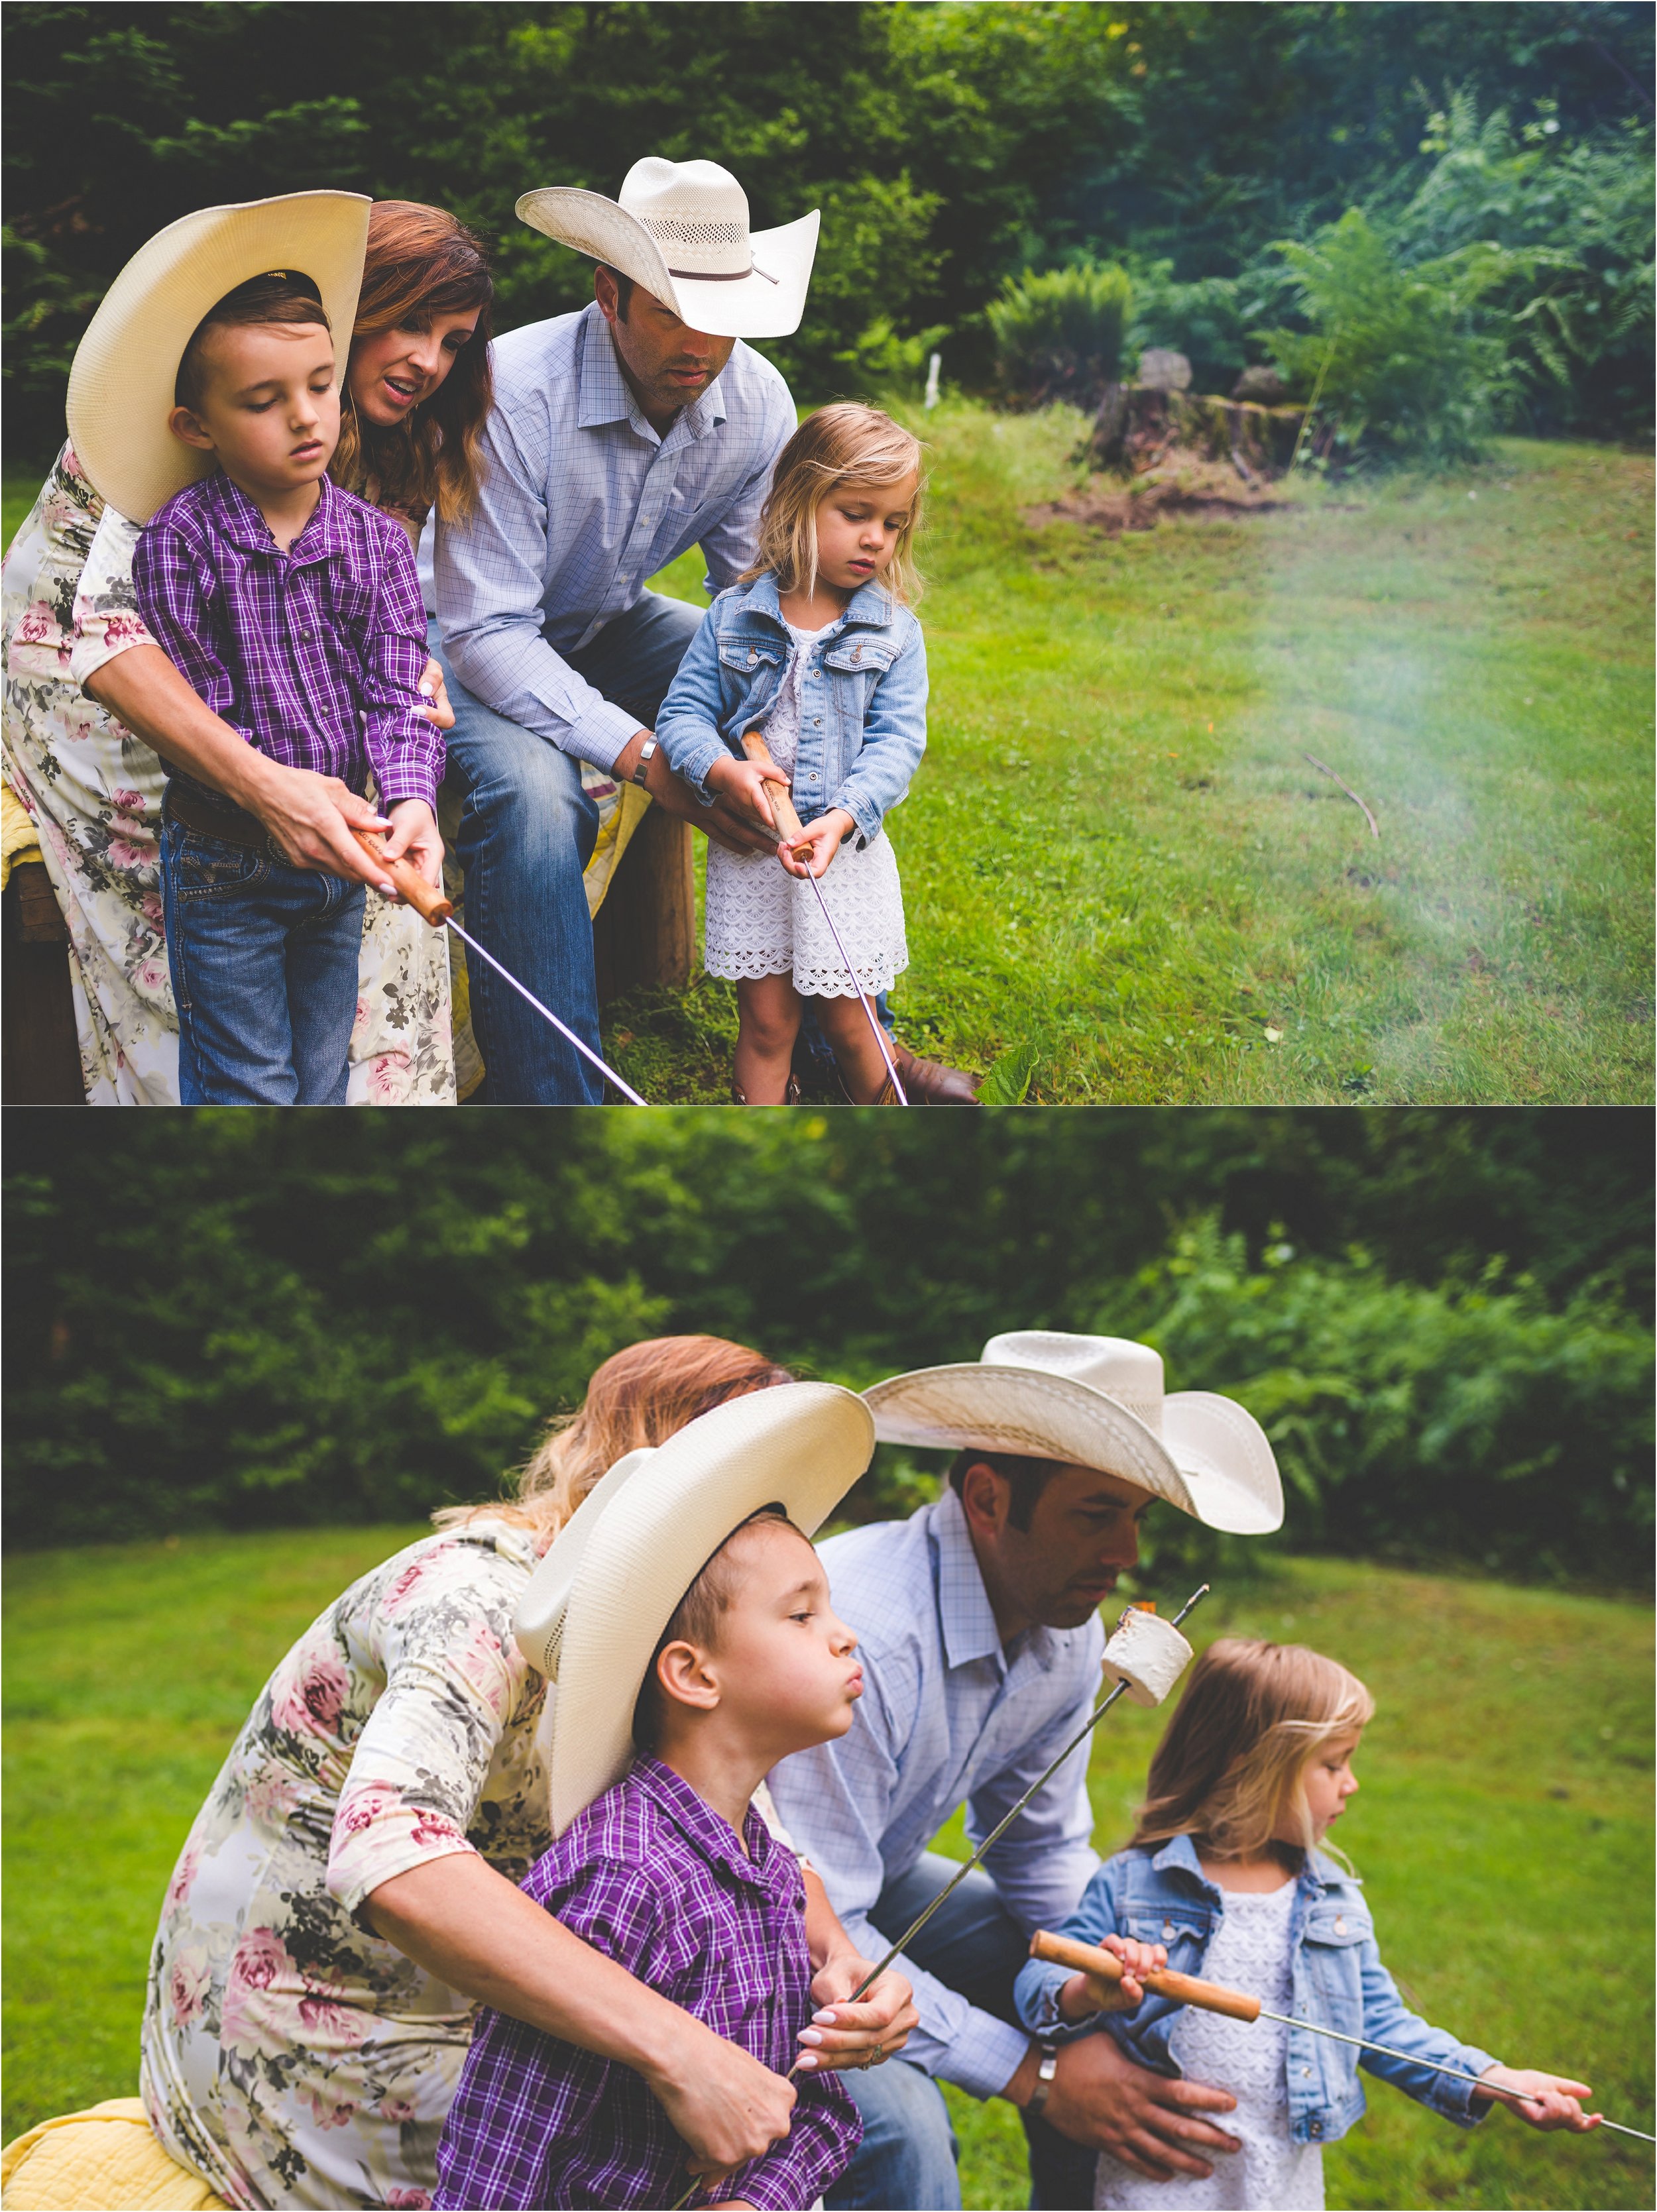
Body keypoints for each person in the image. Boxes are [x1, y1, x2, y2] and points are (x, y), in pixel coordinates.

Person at [141, 1336, 914, 2211]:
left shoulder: (665, 1614)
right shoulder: (474, 1595)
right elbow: (393, 1854)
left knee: (809, 2115)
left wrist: (841, 1962)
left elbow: (749, 1822)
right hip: (328, 2030)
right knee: (666, 2131)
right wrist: (683, 2051)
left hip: (511, 2008)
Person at [432, 155, 977, 1105]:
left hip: (601, 623)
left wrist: (760, 741)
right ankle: (560, 1104)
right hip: (456, 654)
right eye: (673, 310)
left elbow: (761, 602)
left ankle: (846, 1040)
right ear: (609, 293)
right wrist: (652, 758)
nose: (702, 341)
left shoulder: (755, 398)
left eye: (723, 313)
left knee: (823, 697)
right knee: (534, 796)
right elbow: (486, 631)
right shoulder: (512, 394)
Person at [767, 1330, 1287, 2212]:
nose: (1126, 1550)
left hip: (869, 1884)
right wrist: (1038, 2071)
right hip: (762, 1920)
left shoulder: (1066, 1632)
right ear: (986, 1496)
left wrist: (1109, 1961)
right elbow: (822, 1916)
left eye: (1137, 1514)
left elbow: (1040, 1849)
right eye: (1095, 1513)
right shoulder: (865, 1636)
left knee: (1110, 2018)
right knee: (905, 2134)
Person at [0, 194, 492, 1103]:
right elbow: (108, 642)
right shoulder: (201, 394)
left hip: (274, 692)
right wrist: (270, 788)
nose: (429, 361)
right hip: (101, 681)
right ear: (354, 307)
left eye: (455, 340)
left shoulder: (358, 430)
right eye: (409, 323)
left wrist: (402, 688)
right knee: (244, 1003)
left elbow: (365, 624)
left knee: (378, 873)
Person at [435, 1384, 879, 2209]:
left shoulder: (769, 1868)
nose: (843, 1632)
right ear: (693, 1674)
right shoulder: (620, 1876)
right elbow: (501, 2153)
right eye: (800, 1613)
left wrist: (753, 2201)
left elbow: (814, 2108)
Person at [1014, 1638, 1603, 2211]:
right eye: (1333, 1764)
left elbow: (1378, 2024)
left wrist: (1493, 2077)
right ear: (1252, 1764)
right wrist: (1088, 1991)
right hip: (1154, 2179)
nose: (1351, 1784)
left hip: (1273, 2181)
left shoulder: (1331, 1902)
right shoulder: (1132, 1883)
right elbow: (1037, 1982)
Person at [131, 271, 443, 1103]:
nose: (307, 416)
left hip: (340, 868)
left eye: (319, 385)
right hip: (226, 865)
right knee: (249, 1083)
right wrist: (296, 803)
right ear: (197, 426)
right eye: (263, 401)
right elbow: (204, 721)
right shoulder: (180, 544)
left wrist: (410, 797)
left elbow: (400, 688)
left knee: (319, 1075)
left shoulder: (377, 543)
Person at [655, 405, 936, 1105]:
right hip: (756, 856)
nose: (875, 537)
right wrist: (722, 771)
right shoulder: (732, 616)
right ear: (797, 502)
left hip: (842, 855)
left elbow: (896, 743)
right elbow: (683, 715)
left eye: (893, 522)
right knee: (767, 1021)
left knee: (851, 1018)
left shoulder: (895, 634)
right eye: (855, 513)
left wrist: (842, 818)